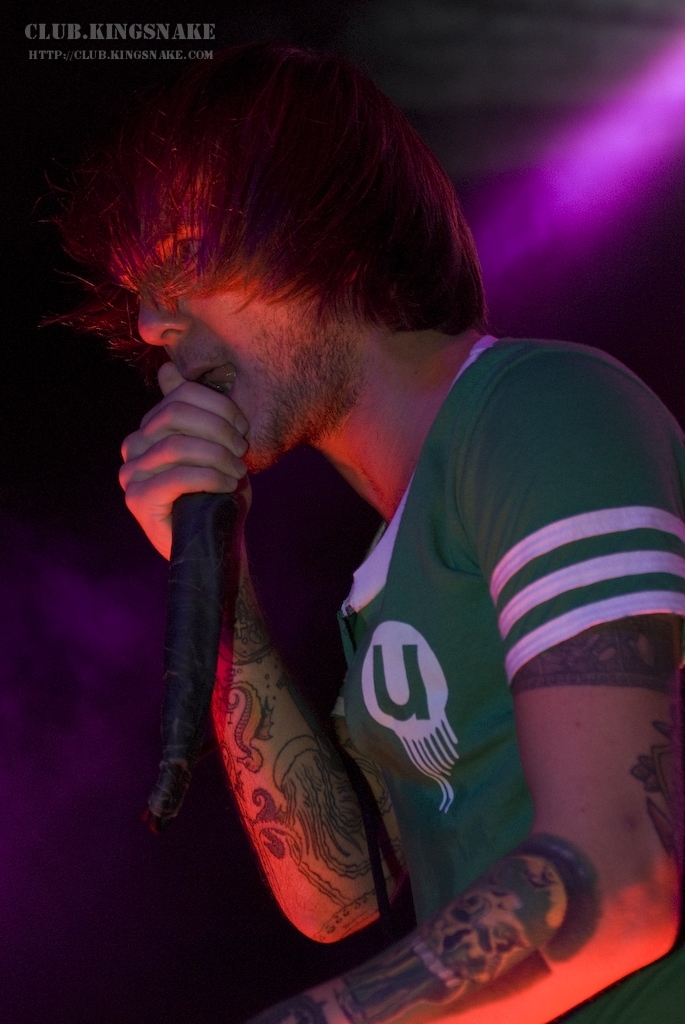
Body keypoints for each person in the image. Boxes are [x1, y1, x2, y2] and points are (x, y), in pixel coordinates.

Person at [59, 42, 684, 1024]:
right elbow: (338, 891)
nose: (148, 324)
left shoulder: (538, 411)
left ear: (320, 229)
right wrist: (218, 580)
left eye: (182, 254)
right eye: (139, 292)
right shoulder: (387, 576)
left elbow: (618, 883)